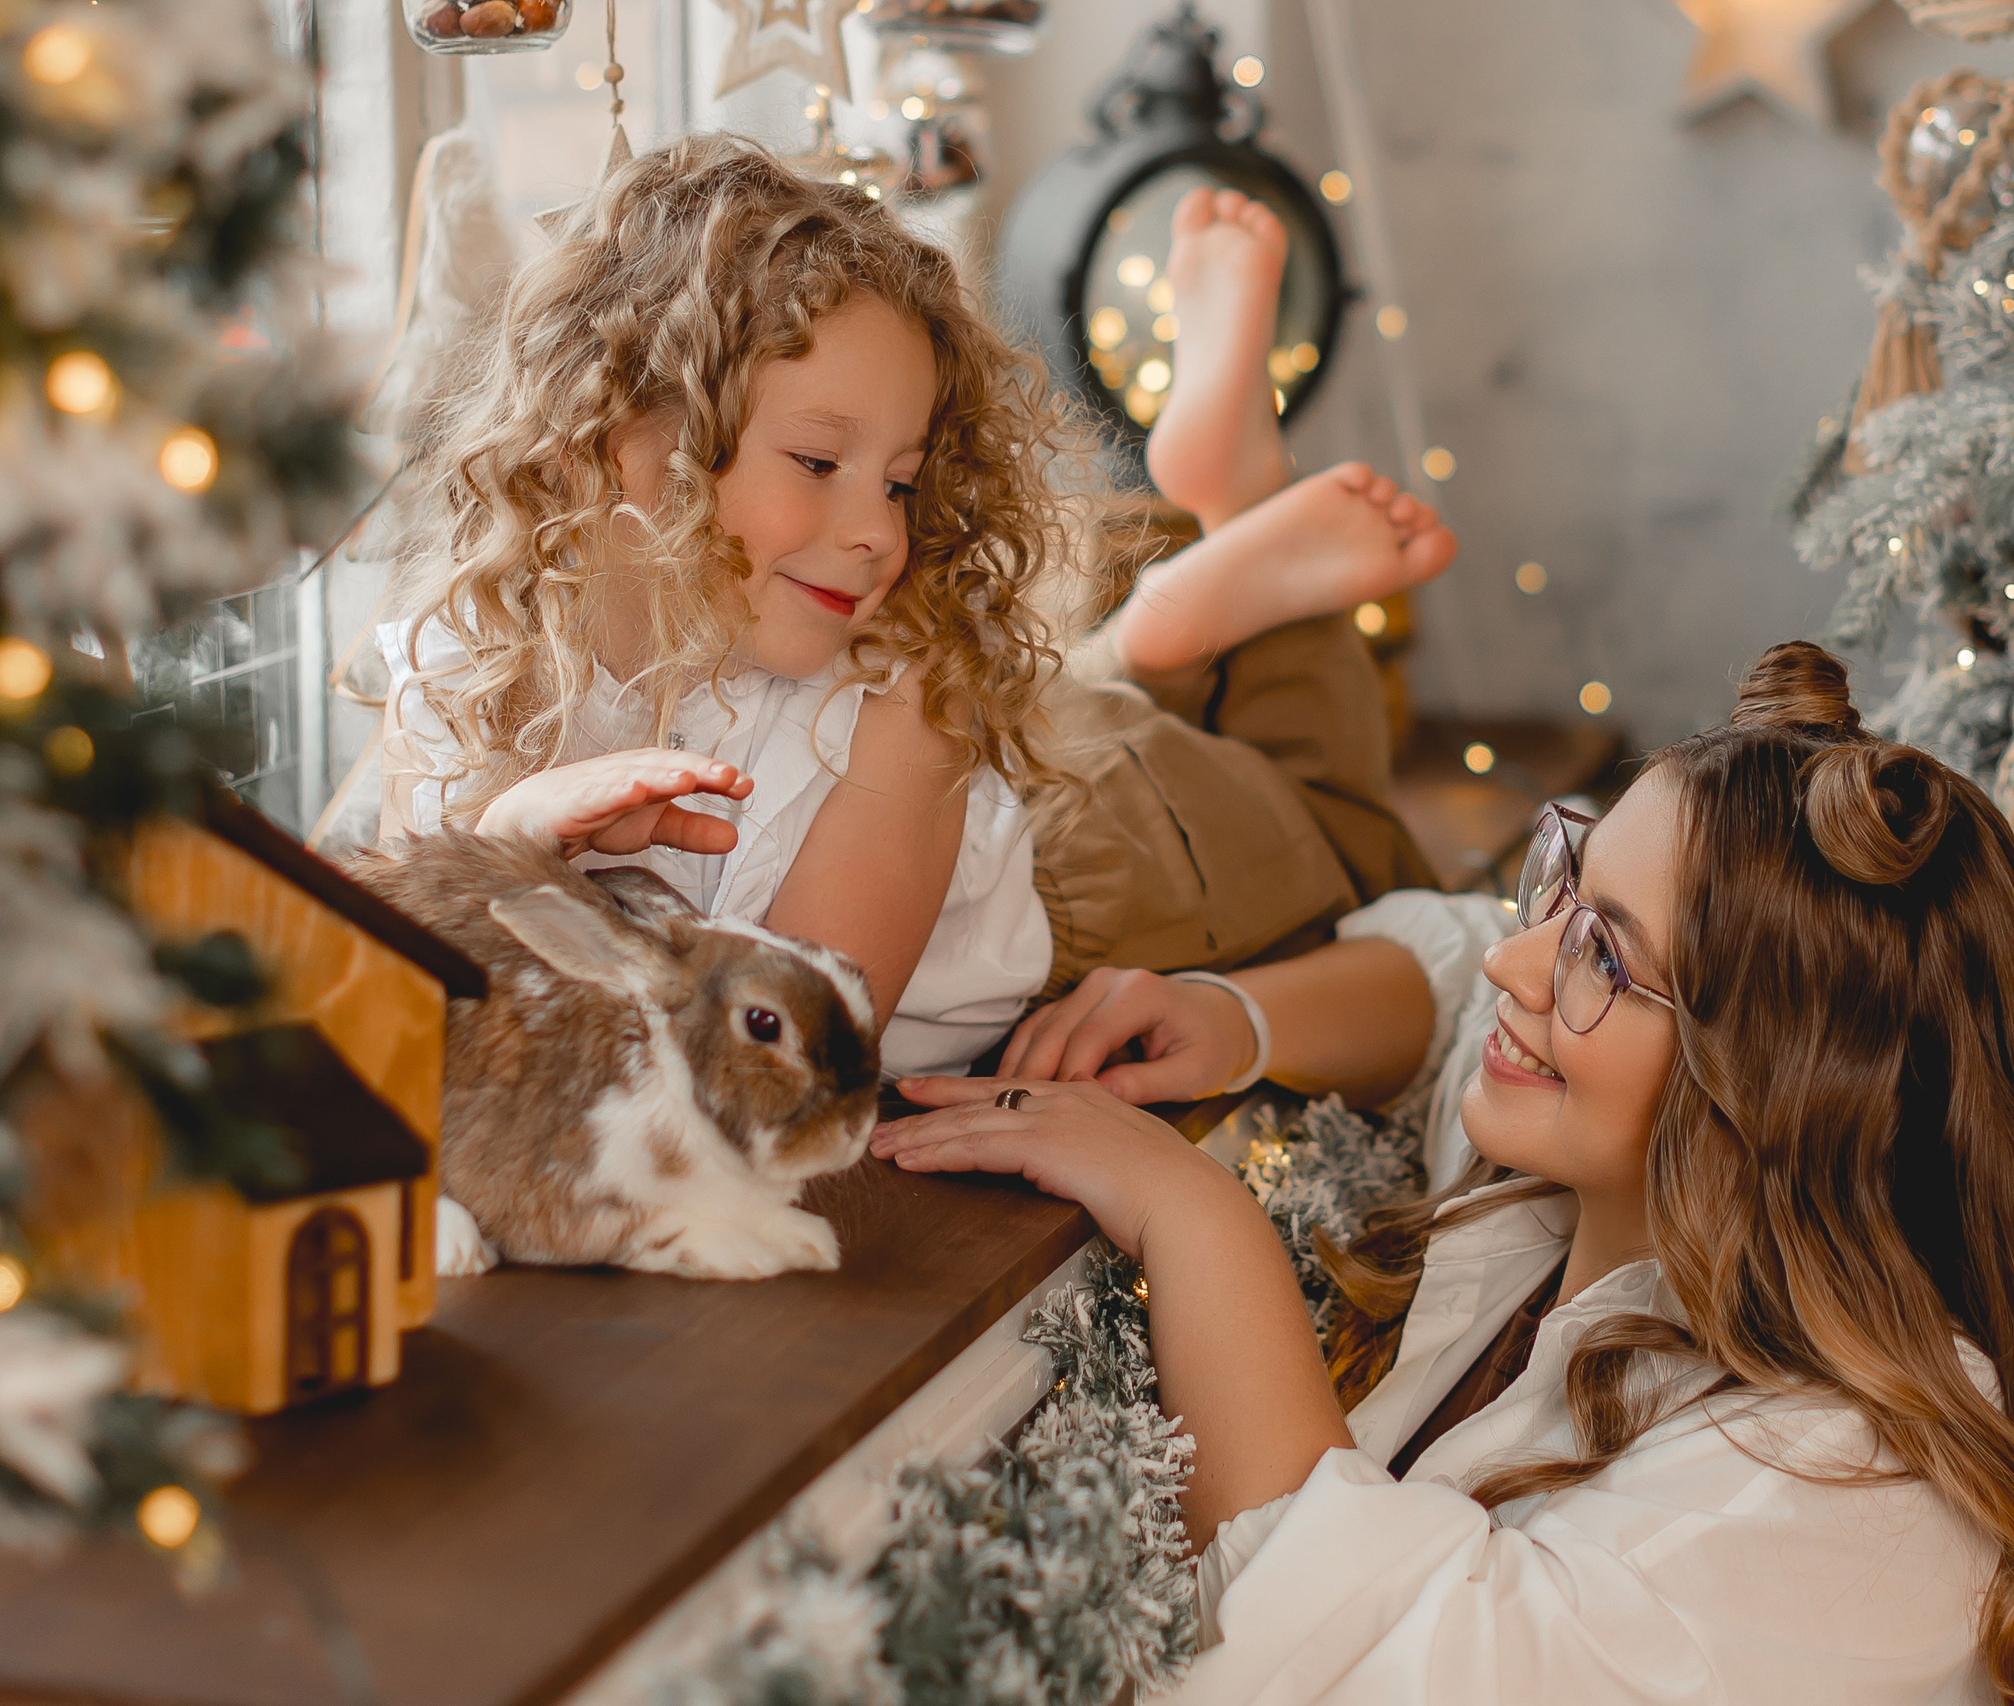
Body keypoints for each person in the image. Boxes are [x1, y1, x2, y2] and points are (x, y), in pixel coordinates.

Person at [874, 642, 2014, 1704]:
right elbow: (1457, 964)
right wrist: (1236, 1015)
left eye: (1605, 951)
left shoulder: (1866, 1487)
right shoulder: (1595, 1194)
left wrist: (1189, 1210)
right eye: (1567, 882)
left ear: (1772, 1092)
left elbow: (1399, 1666)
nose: (1531, 959)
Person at [375, 136, 1454, 1091]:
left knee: (1342, 832)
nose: (879, 533)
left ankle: (1234, 502)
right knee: (1083, 709)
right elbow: (414, 990)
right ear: (613, 433)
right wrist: (515, 837)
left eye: (898, 480)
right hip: (1029, 738)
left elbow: (788, 1063)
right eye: (815, 460)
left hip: (1097, 856)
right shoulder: (458, 662)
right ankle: (1177, 597)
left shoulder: (905, 707)